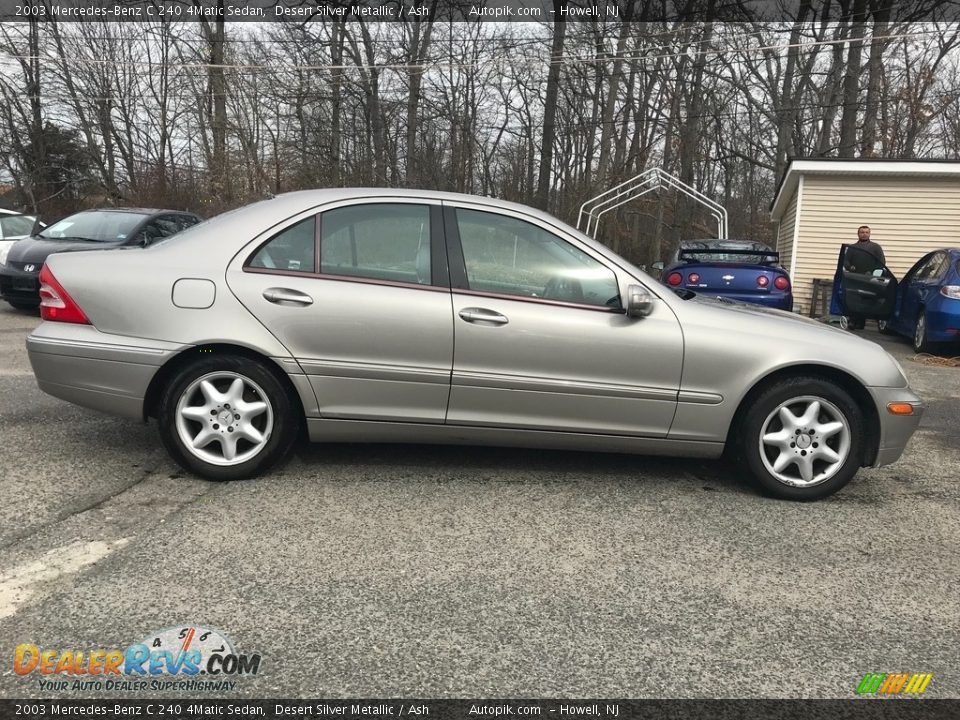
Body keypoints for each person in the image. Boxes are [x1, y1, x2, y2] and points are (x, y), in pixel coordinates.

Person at [846, 225, 885, 330]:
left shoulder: (875, 247)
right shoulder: (852, 247)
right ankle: (852, 321)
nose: (864, 234)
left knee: (864, 300)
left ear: (870, 233)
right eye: (862, 232)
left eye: (866, 232)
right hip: (854, 277)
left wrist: (872, 271)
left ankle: (861, 322)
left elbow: (881, 262)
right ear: (858, 234)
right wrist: (850, 267)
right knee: (854, 299)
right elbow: (846, 261)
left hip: (869, 279)